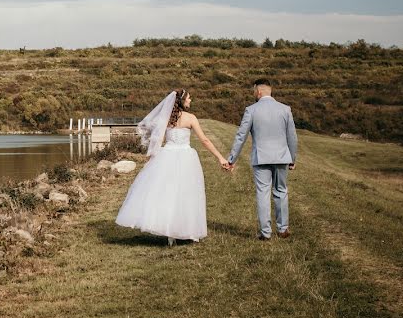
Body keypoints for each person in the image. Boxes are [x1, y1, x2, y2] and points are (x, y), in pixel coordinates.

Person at [115, 89, 230, 245]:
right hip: (185, 157)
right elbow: (205, 141)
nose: (191, 100)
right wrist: (220, 158)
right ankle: (189, 231)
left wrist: (152, 159)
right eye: (189, 98)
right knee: (186, 193)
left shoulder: (166, 118)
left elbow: (159, 140)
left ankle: (170, 233)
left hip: (167, 155)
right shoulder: (191, 118)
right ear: (182, 101)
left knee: (167, 193)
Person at [226, 78, 299, 240]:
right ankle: (283, 229)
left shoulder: (251, 110)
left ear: (258, 91)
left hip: (261, 158)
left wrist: (231, 159)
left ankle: (265, 233)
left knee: (263, 193)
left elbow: (241, 137)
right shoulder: (285, 109)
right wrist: (292, 158)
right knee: (281, 191)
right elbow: (292, 137)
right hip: (282, 157)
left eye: (253, 91)